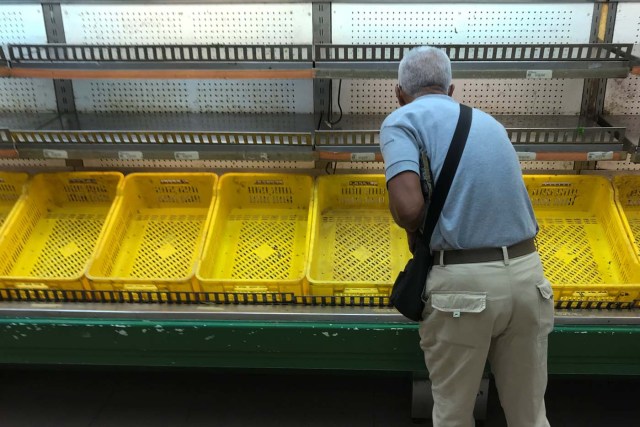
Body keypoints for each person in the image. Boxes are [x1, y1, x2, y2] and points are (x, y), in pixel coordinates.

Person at [380, 46, 554, 427]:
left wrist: (409, 218)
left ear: (399, 92)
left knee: (454, 414)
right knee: (530, 414)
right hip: (529, 278)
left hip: (464, 289)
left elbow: (408, 209)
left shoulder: (400, 120)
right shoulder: (491, 123)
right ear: (452, 89)